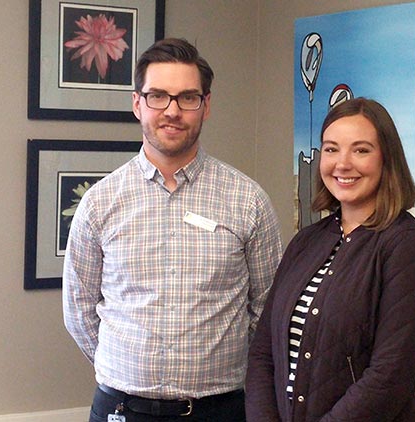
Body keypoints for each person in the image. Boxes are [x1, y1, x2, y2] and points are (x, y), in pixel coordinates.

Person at [63, 38, 283, 422]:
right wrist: (128, 362)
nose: (172, 111)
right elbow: (79, 312)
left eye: (187, 98)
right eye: (158, 96)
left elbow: (267, 310)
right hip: (122, 408)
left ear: (206, 105)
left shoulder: (248, 200)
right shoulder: (100, 203)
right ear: (137, 104)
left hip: (219, 410)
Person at [245, 98, 415, 421]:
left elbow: (388, 379)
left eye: (361, 150)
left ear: (387, 159)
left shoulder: (410, 248)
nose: (342, 163)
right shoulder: (305, 242)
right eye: (331, 149)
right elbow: (264, 352)